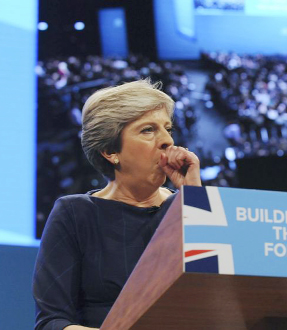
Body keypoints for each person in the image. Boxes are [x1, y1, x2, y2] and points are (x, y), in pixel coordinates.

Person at [32, 79, 201, 330]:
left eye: (167, 128)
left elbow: (212, 297)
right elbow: (52, 321)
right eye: (148, 130)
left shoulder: (185, 208)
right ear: (111, 151)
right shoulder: (75, 214)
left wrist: (193, 196)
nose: (167, 140)